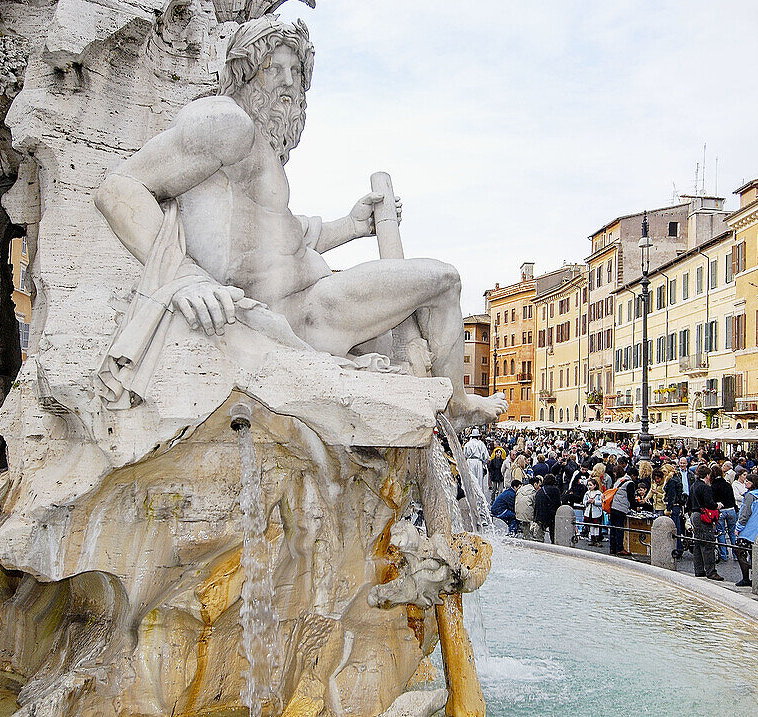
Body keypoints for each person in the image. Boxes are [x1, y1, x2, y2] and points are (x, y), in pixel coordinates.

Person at [93, 16, 507, 427]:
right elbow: (118, 190)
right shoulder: (225, 123)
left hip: (316, 301)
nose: (290, 82)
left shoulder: (261, 149)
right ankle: (456, 404)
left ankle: (448, 399)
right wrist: (184, 278)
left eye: (296, 71)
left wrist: (351, 224)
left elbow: (284, 238)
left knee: (425, 303)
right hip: (303, 316)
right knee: (445, 280)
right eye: (274, 67)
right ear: (244, 71)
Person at [690, 466, 723, 580]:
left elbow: (689, 502)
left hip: (694, 515)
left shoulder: (693, 486)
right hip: (703, 516)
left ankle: (699, 570)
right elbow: (709, 503)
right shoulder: (705, 488)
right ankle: (711, 572)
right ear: (707, 475)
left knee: (698, 543)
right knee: (708, 543)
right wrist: (717, 505)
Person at [734, 473, 758, 587]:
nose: (745, 482)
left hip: (748, 529)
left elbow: (745, 513)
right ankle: (757, 578)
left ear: (753, 483)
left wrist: (738, 527)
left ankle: (746, 578)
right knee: (754, 554)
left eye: (748, 481)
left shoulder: (750, 496)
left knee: (740, 552)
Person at [609, 469, 638, 556]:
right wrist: (636, 506)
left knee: (613, 528)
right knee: (619, 528)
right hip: (621, 508)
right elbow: (630, 498)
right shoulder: (630, 483)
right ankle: (620, 548)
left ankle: (612, 548)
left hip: (613, 506)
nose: (635, 479)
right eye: (635, 477)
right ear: (632, 475)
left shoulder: (620, 480)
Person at [533, 474, 562, 544]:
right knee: (553, 534)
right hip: (551, 516)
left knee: (539, 537)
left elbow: (536, 504)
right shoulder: (555, 490)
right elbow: (558, 504)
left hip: (540, 515)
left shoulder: (540, 491)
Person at [463, 428, 489, 501]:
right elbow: (486, 456)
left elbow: (464, 455)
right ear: (478, 436)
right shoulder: (481, 444)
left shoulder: (467, 444)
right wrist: (484, 462)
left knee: (471, 480)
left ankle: (470, 497)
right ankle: (479, 499)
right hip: (478, 462)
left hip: (469, 462)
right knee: (479, 481)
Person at [515, 474, 539, 540]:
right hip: (527, 512)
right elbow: (535, 504)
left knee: (525, 521)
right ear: (535, 484)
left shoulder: (522, 488)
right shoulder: (533, 491)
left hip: (518, 510)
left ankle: (526, 534)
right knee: (531, 519)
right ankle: (528, 537)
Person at [583, 478, 605, 545]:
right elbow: (584, 501)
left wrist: (595, 502)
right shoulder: (587, 493)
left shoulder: (599, 493)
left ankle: (597, 539)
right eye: (588, 485)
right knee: (591, 525)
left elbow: (602, 502)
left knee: (596, 526)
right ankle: (592, 539)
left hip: (596, 512)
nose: (589, 487)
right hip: (589, 511)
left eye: (590, 485)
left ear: (595, 485)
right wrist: (587, 502)